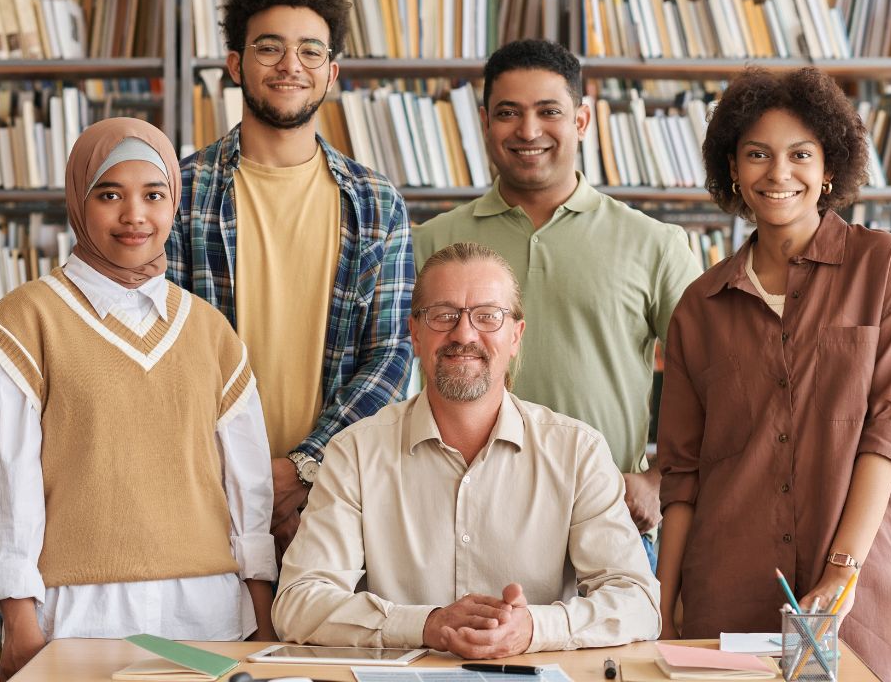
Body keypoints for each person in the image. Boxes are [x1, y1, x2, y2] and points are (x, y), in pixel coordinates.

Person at [0, 118, 276, 679]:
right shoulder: (23, 321)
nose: (135, 215)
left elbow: (247, 486)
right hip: (79, 615)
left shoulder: (211, 331)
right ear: (79, 204)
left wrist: (261, 609)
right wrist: (18, 618)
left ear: (173, 203)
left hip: (207, 613)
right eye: (110, 195)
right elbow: (3, 480)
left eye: (154, 195)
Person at [654, 67, 891, 682]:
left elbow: (887, 431)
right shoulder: (699, 306)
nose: (778, 174)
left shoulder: (883, 266)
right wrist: (663, 607)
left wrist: (842, 570)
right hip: (724, 591)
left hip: (856, 599)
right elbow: (683, 472)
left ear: (830, 167)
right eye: (757, 154)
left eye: (800, 154)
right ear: (733, 169)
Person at [273, 242, 660, 657]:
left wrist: (534, 629)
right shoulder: (355, 452)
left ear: (516, 335)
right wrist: (426, 624)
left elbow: (638, 602)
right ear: (415, 334)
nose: (464, 333)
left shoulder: (578, 452)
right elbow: (298, 604)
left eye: (488, 317)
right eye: (444, 315)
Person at [413, 40, 701, 566]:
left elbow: (716, 376)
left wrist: (662, 479)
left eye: (549, 111)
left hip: (608, 515)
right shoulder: (430, 242)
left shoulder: (655, 243)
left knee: (615, 654)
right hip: (459, 515)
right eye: (508, 113)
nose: (528, 131)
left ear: (583, 120)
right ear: (484, 123)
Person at [167, 0, 414, 557]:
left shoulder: (377, 203)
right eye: (269, 48)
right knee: (207, 651)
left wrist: (302, 466)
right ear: (235, 64)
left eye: (309, 51)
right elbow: (159, 350)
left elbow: (391, 355)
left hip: (336, 496)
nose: (289, 66)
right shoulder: (177, 192)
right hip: (199, 490)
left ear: (331, 72)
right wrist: (238, 470)